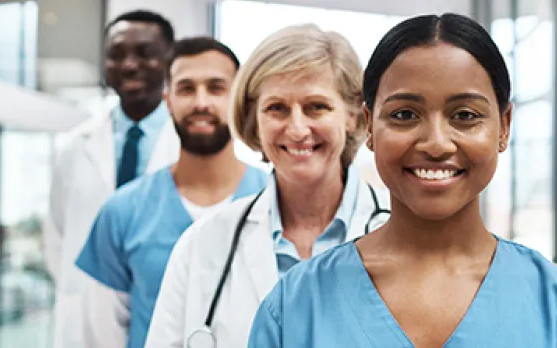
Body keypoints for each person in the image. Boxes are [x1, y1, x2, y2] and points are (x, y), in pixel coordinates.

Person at [247, 13, 557, 348]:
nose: (435, 144)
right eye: (404, 115)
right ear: (369, 127)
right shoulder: (295, 307)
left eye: (464, 115)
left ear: (504, 126)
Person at [144, 24, 391, 348]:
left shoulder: (404, 236)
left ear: (354, 116)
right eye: (277, 108)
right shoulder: (203, 246)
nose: (298, 128)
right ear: (253, 121)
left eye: (316, 106)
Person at [74, 36, 268, 348]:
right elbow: (101, 335)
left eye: (216, 87)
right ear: (168, 100)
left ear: (239, 100)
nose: (201, 102)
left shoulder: (276, 202)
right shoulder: (122, 211)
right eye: (186, 88)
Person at [43, 10, 179, 348]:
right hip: (84, 321)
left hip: (163, 315)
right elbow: (57, 236)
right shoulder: (75, 146)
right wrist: (87, 293)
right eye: (116, 54)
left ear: (169, 61)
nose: (129, 64)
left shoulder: (189, 146)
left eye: (145, 53)